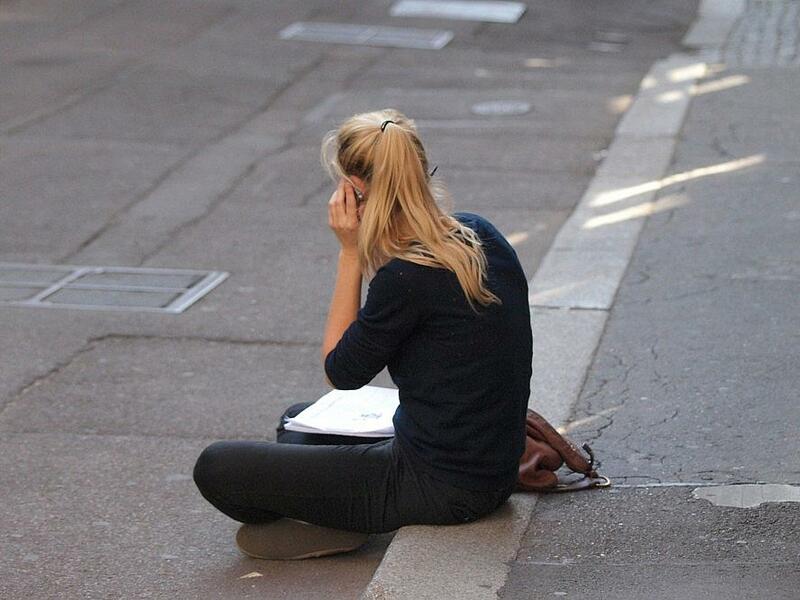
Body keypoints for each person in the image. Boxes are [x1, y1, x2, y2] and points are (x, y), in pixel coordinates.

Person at [192, 109, 533, 560]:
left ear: (355, 191)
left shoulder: (407, 276)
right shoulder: (479, 232)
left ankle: (335, 520)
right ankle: (333, 513)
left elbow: (341, 371)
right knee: (297, 424)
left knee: (216, 466)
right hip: (491, 470)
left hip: (442, 487)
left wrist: (350, 255)